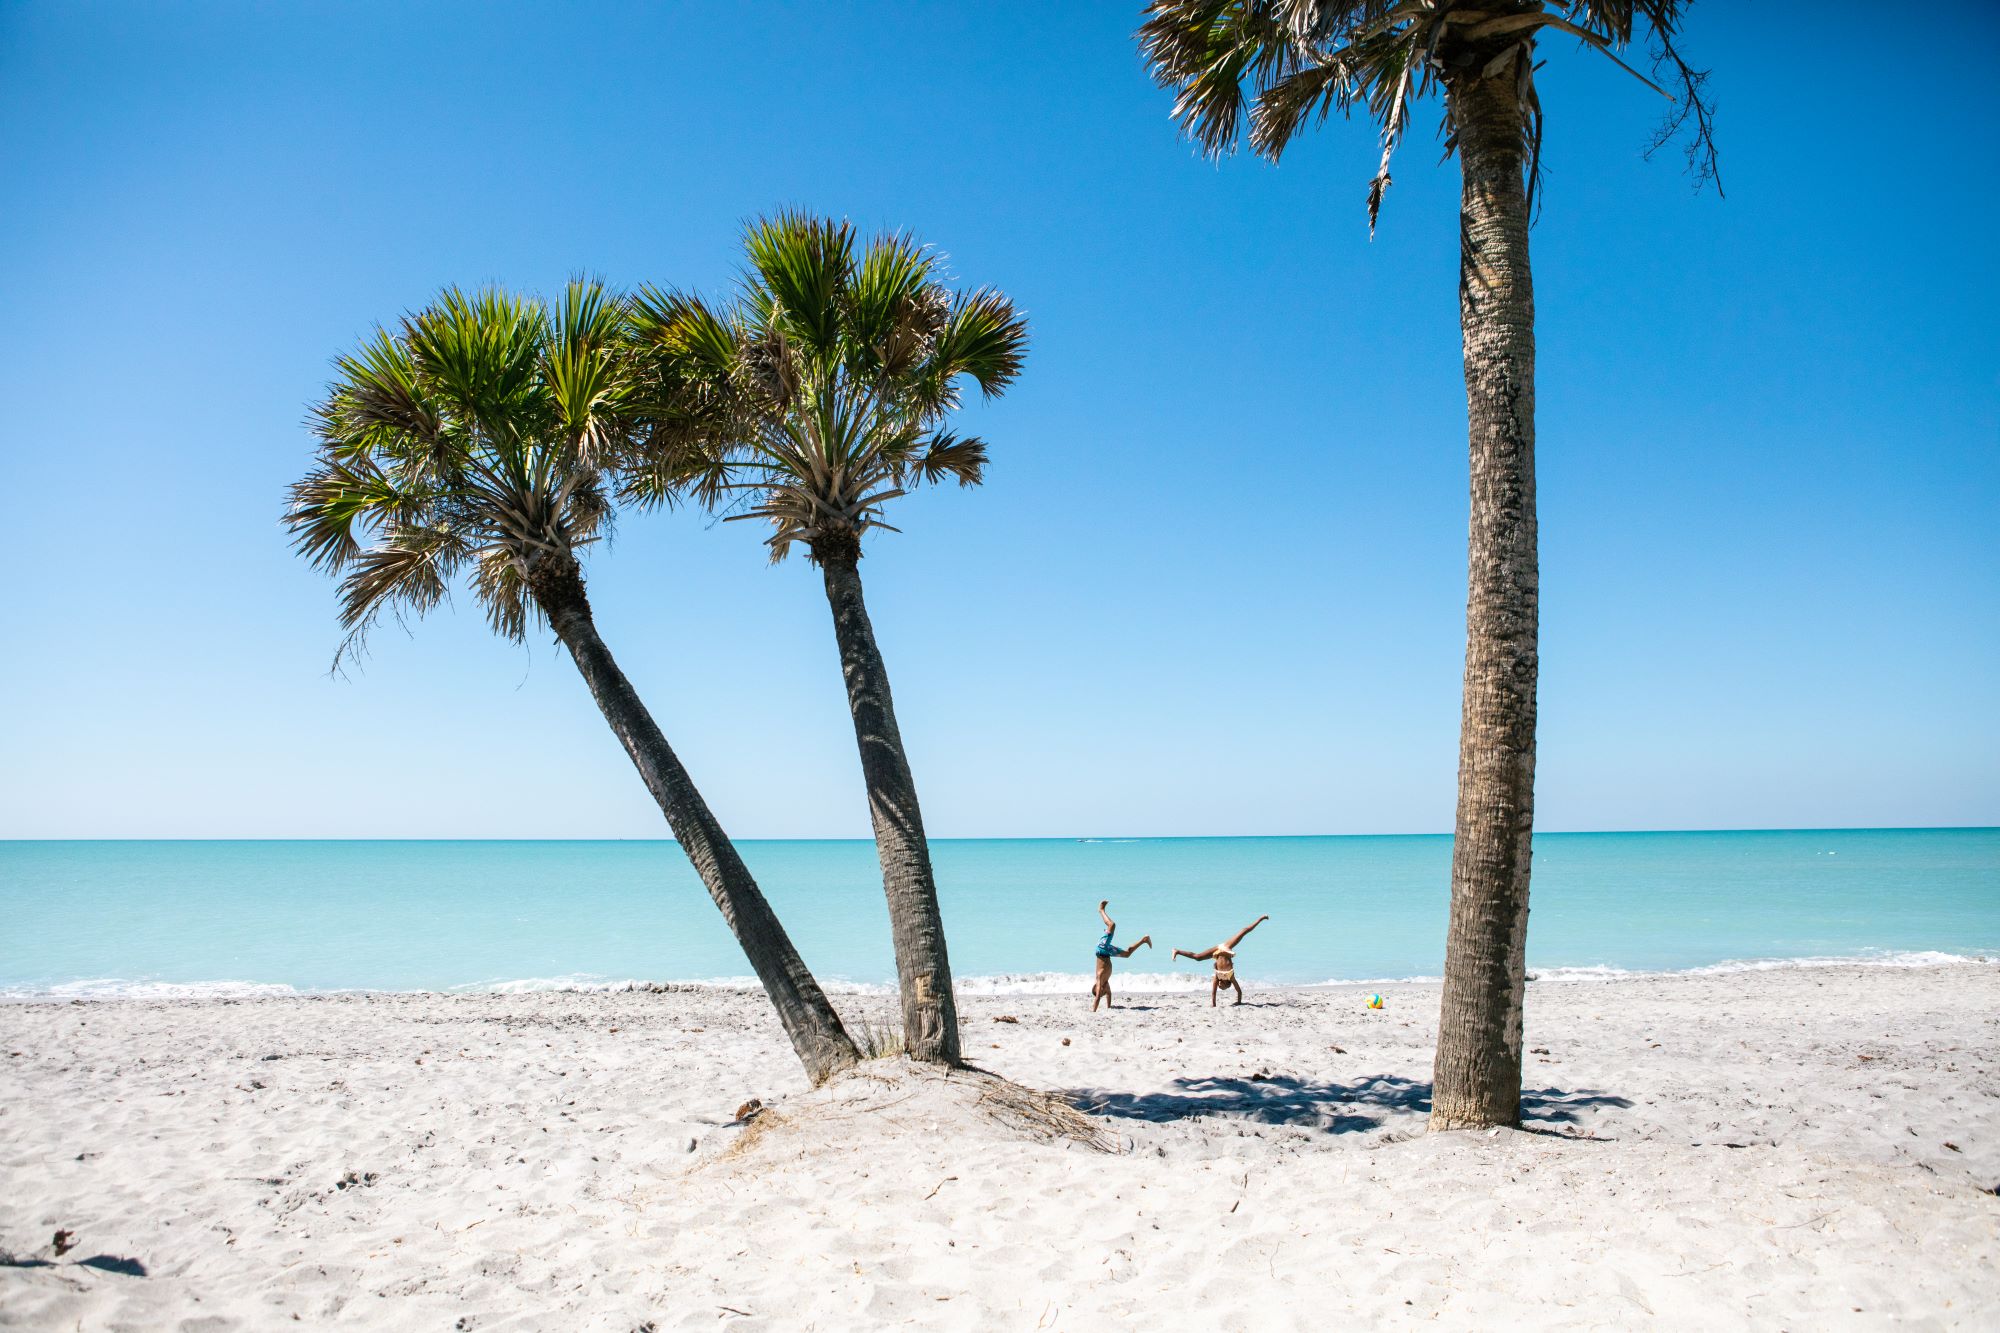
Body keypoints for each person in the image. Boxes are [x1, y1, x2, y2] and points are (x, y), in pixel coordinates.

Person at [1174, 915, 1269, 1007]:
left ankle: (1177, 951)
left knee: (1198, 957)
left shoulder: (1217, 976)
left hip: (1217, 951)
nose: (1219, 986)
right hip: (1226, 947)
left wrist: (1214, 1004)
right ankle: (1261, 918)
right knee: (1244, 931)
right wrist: (1239, 1002)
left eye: (1219, 986)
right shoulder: (1230, 977)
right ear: (1226, 984)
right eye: (1221, 987)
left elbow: (1213, 993)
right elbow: (1239, 991)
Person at [1091, 900, 1152, 1011]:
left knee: (1112, 925)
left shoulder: (1100, 978)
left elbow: (1098, 997)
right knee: (1127, 954)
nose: (1103, 992)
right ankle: (1144, 940)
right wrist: (1109, 1007)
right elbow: (1109, 995)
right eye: (1103, 992)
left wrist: (1093, 1010)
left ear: (1097, 987)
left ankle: (1101, 910)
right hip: (1108, 952)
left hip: (1101, 949)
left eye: (1100, 992)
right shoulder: (1106, 984)